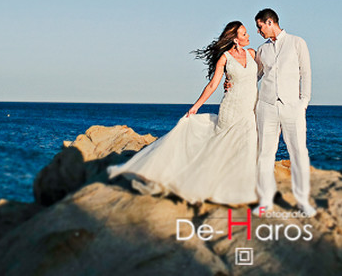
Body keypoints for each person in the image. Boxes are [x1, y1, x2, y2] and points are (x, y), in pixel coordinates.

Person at [107, 21, 258, 206]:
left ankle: (241, 186)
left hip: (249, 108)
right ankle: (209, 183)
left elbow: (262, 73)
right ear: (235, 39)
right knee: (224, 145)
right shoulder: (225, 58)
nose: (248, 36)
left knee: (247, 143)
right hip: (232, 107)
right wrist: (196, 107)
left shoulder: (252, 54)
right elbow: (212, 85)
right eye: (244, 34)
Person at [253, 8, 315, 217]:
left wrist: (303, 102)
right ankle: (265, 201)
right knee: (264, 155)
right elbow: (255, 75)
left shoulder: (298, 43)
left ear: (269, 22)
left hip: (292, 107)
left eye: (260, 26)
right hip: (266, 106)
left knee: (298, 153)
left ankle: (302, 201)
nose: (258, 31)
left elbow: (306, 73)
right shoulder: (262, 50)